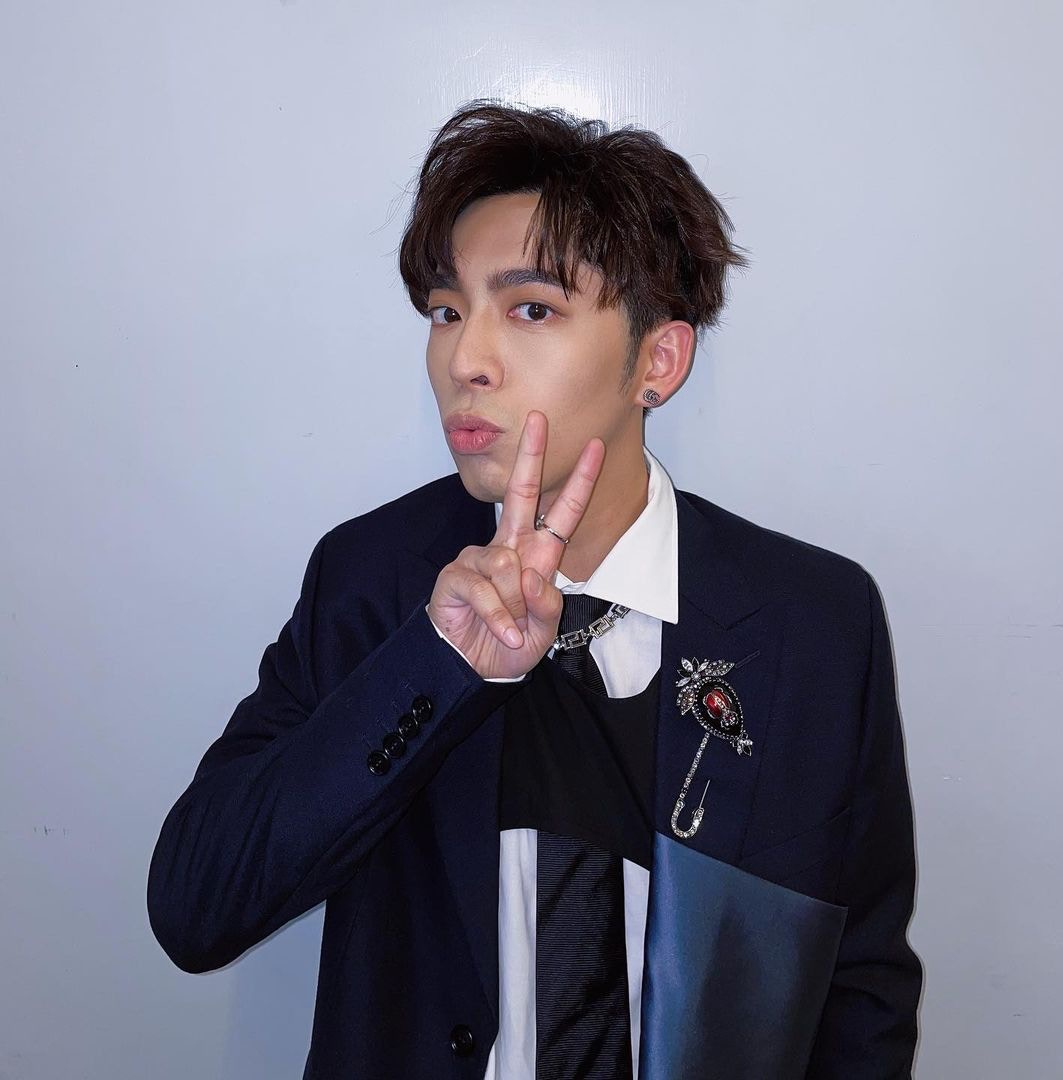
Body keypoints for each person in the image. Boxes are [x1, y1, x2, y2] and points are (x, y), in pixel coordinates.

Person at [147, 99, 922, 1079]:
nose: (463, 360)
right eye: (446, 310)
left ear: (658, 360)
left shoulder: (813, 622)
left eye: (530, 309)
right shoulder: (371, 580)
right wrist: (434, 667)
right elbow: (196, 908)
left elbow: (859, 982)